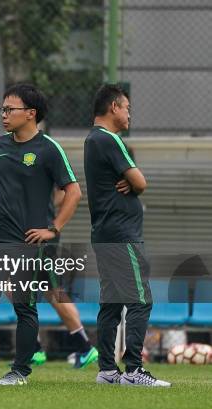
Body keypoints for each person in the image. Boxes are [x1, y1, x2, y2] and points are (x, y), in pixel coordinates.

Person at [0, 83, 81, 386]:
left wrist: (53, 229)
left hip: (27, 241)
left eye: (10, 109)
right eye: (3, 109)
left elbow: (73, 192)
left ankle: (20, 371)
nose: (4, 114)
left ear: (31, 113)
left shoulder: (49, 149)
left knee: (25, 306)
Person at [84, 84, 170, 387]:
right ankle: (134, 371)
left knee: (111, 302)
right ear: (113, 108)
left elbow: (131, 180)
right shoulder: (109, 139)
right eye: (127, 108)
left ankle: (107, 371)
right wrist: (132, 182)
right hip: (121, 233)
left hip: (106, 232)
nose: (129, 114)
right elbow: (141, 182)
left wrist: (129, 182)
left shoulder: (94, 140)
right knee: (140, 299)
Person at [30, 187, 98, 369]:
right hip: (24, 232)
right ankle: (32, 347)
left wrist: (52, 225)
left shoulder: (51, 158)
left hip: (40, 235)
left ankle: (84, 346)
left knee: (52, 291)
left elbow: (68, 192)